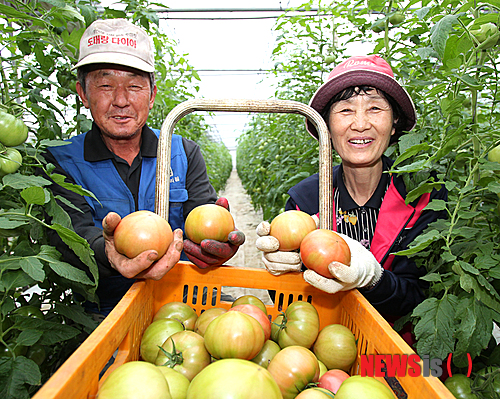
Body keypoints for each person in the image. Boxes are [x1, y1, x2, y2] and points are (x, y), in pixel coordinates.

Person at [41, 18, 244, 317]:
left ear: (151, 95)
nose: (121, 100)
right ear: (83, 94)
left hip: (183, 299)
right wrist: (109, 252)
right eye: (105, 85)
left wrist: (212, 247)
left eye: (134, 86)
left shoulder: (182, 152)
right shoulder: (59, 161)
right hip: (104, 311)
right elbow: (70, 234)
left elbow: (203, 219)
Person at [256, 55, 447, 324]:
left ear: (394, 124)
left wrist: (373, 279)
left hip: (401, 354)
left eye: (375, 109)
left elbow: (424, 298)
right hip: (324, 344)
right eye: (345, 110)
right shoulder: (305, 201)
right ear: (327, 127)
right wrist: (284, 270)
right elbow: (289, 306)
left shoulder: (424, 195)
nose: (359, 124)